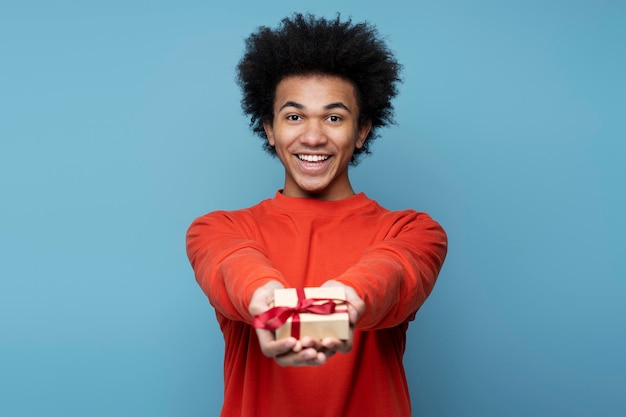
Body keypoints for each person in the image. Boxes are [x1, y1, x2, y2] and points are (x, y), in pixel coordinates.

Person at [186, 13, 448, 417]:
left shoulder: (413, 231)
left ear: (360, 132)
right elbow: (233, 267)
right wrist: (268, 304)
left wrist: (342, 303)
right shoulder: (216, 229)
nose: (312, 136)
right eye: (293, 116)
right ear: (270, 130)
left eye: (333, 117)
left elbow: (392, 272)